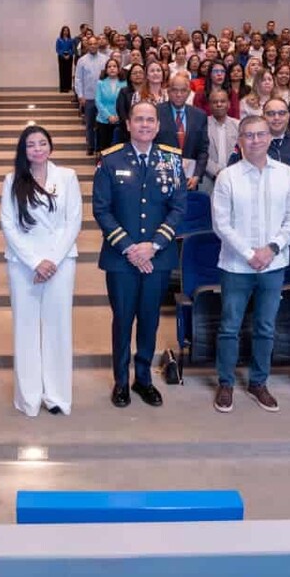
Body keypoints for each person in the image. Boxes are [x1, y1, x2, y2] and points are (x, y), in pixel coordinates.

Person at [93, 101, 186, 408]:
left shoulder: (171, 160)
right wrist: (130, 248)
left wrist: (154, 245)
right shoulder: (110, 159)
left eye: (150, 120)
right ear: (128, 124)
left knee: (149, 319)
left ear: (158, 126)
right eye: (139, 119)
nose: (144, 125)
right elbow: (102, 209)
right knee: (123, 320)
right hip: (121, 259)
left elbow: (178, 207)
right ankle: (121, 381)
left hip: (157, 258)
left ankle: (143, 379)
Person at [211, 114, 290, 413]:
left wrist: (272, 248)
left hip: (274, 265)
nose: (255, 140)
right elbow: (221, 224)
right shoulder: (228, 177)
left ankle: (258, 382)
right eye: (249, 135)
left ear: (269, 137)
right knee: (229, 327)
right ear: (240, 141)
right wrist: (250, 253)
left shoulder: (286, 174)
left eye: (261, 134)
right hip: (236, 266)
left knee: (266, 327)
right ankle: (226, 383)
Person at [0, 126, 82, 417]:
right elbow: (8, 224)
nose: (37, 149)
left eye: (42, 143)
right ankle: (29, 397)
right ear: (23, 151)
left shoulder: (68, 177)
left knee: (58, 327)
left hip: (61, 262)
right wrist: (35, 262)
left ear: (50, 146)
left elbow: (74, 221)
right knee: (25, 328)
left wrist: (51, 261)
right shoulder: (12, 180)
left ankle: (57, 395)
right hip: (23, 264)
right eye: (31, 144)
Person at [156, 73, 209, 190]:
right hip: (161, 176)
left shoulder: (199, 115)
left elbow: (203, 150)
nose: (179, 94)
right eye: (174, 90)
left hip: (190, 180)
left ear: (189, 92)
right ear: (168, 91)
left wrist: (197, 175)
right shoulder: (156, 112)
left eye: (183, 91)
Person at [94, 57, 125, 153]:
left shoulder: (124, 83)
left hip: (119, 120)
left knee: (118, 149)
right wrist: (108, 116)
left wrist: (118, 116)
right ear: (106, 70)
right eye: (109, 66)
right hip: (103, 120)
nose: (112, 68)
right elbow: (98, 101)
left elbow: (125, 102)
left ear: (118, 69)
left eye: (114, 66)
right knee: (104, 148)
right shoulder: (100, 83)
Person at [56, 26, 76, 93]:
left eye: (67, 30)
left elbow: (73, 49)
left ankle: (68, 87)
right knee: (62, 72)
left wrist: (69, 55)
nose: (66, 32)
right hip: (61, 57)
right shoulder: (59, 40)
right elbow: (57, 49)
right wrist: (63, 55)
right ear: (62, 31)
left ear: (68, 32)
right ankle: (62, 88)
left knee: (68, 72)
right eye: (64, 30)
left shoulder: (71, 40)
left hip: (69, 57)